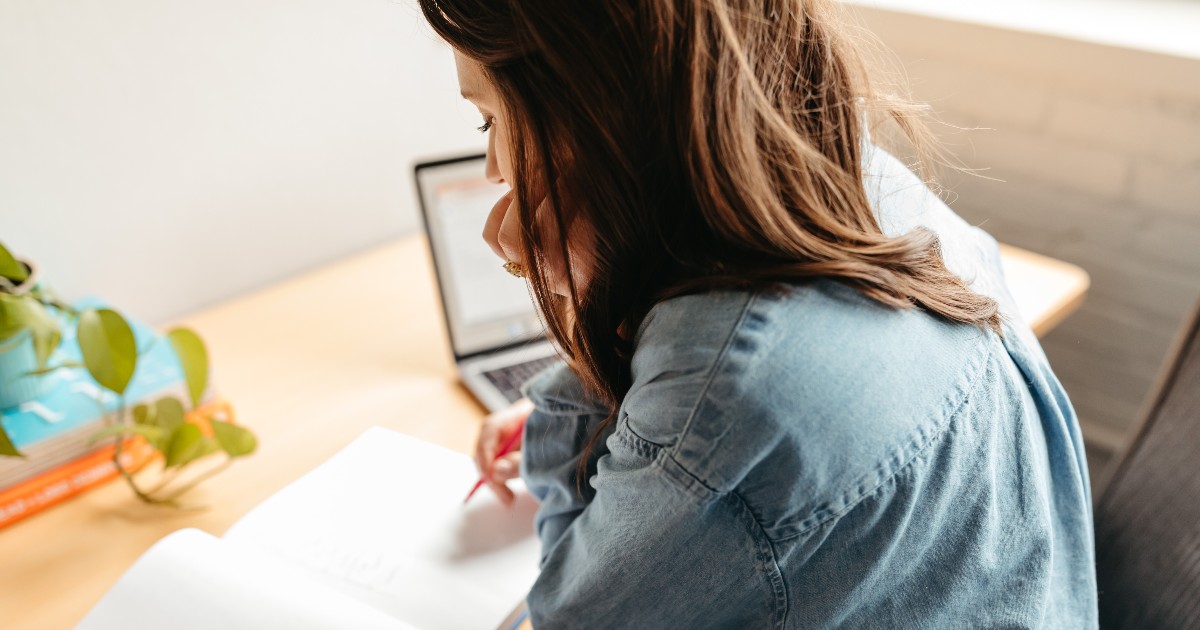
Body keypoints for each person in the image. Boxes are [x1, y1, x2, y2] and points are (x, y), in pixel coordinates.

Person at [420, 0, 1098, 627]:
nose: (492, 169)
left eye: (491, 121)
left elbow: (573, 615)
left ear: (598, 111)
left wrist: (582, 332)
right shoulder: (872, 186)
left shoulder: (722, 395)